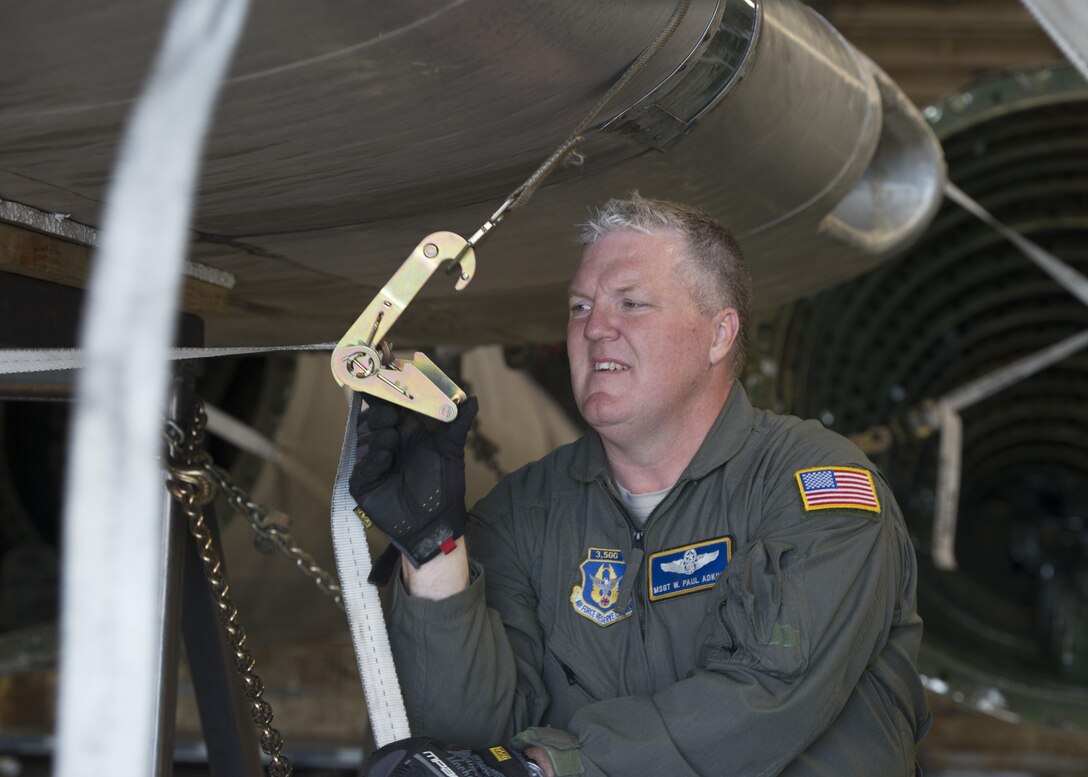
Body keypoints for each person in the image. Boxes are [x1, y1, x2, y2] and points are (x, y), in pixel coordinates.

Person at [352, 195, 930, 777]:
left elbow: (767, 693)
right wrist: (433, 555)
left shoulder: (814, 487)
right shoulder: (524, 511)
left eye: (631, 303)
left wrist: (552, 767)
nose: (596, 328)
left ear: (718, 335)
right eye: (580, 307)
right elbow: (464, 744)